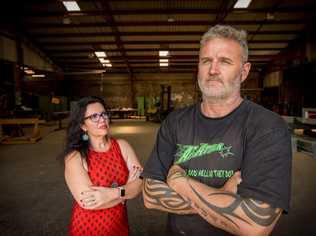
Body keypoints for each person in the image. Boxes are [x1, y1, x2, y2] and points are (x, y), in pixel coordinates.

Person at [142, 25, 292, 236]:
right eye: (206, 61)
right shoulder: (175, 121)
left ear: (244, 71)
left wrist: (180, 183)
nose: (213, 70)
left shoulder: (267, 127)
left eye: (225, 61)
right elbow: (150, 196)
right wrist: (222, 196)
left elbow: (256, 224)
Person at [60, 96, 143, 236]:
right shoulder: (75, 157)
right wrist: (126, 192)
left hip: (119, 226)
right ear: (83, 125)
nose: (102, 119)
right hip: (89, 228)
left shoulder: (122, 146)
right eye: (94, 116)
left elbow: (140, 182)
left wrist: (112, 194)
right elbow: (89, 203)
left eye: (104, 114)